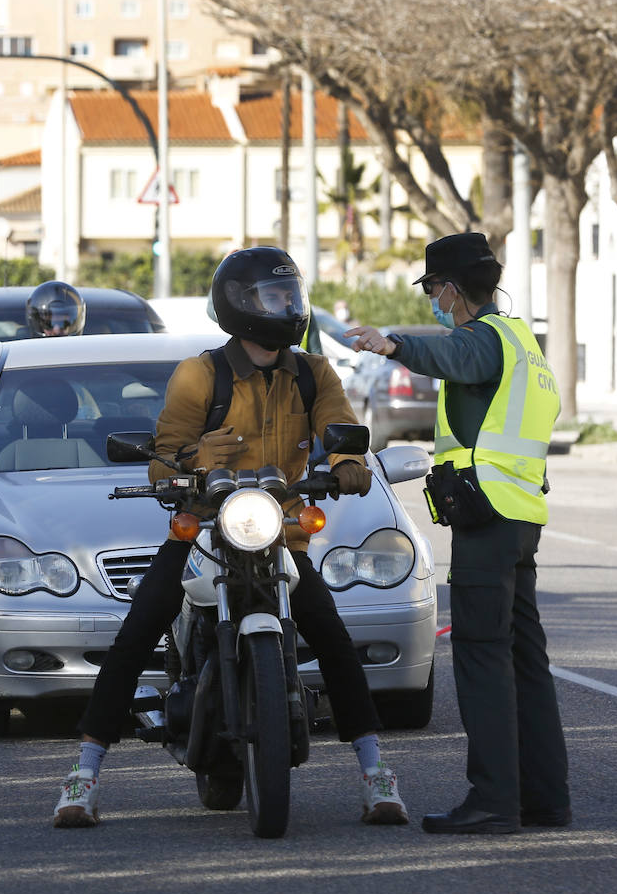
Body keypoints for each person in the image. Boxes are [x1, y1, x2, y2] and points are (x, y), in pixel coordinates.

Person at [52, 246, 408, 828]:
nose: (286, 307)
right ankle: (83, 775)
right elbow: (162, 459)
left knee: (332, 636)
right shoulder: (201, 373)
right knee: (139, 629)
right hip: (206, 528)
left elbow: (342, 431)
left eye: (290, 296)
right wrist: (193, 457)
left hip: (281, 531)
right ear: (239, 305)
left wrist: (347, 462)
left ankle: (376, 774)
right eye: (273, 298)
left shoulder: (313, 372)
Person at [346, 232, 568, 834]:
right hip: (520, 514)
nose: (431, 303)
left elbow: (457, 357)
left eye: (431, 292)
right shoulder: (521, 338)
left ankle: (494, 799)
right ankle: (545, 799)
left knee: (480, 656)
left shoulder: (484, 339)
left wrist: (393, 344)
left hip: (488, 515)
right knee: (525, 660)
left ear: (449, 288)